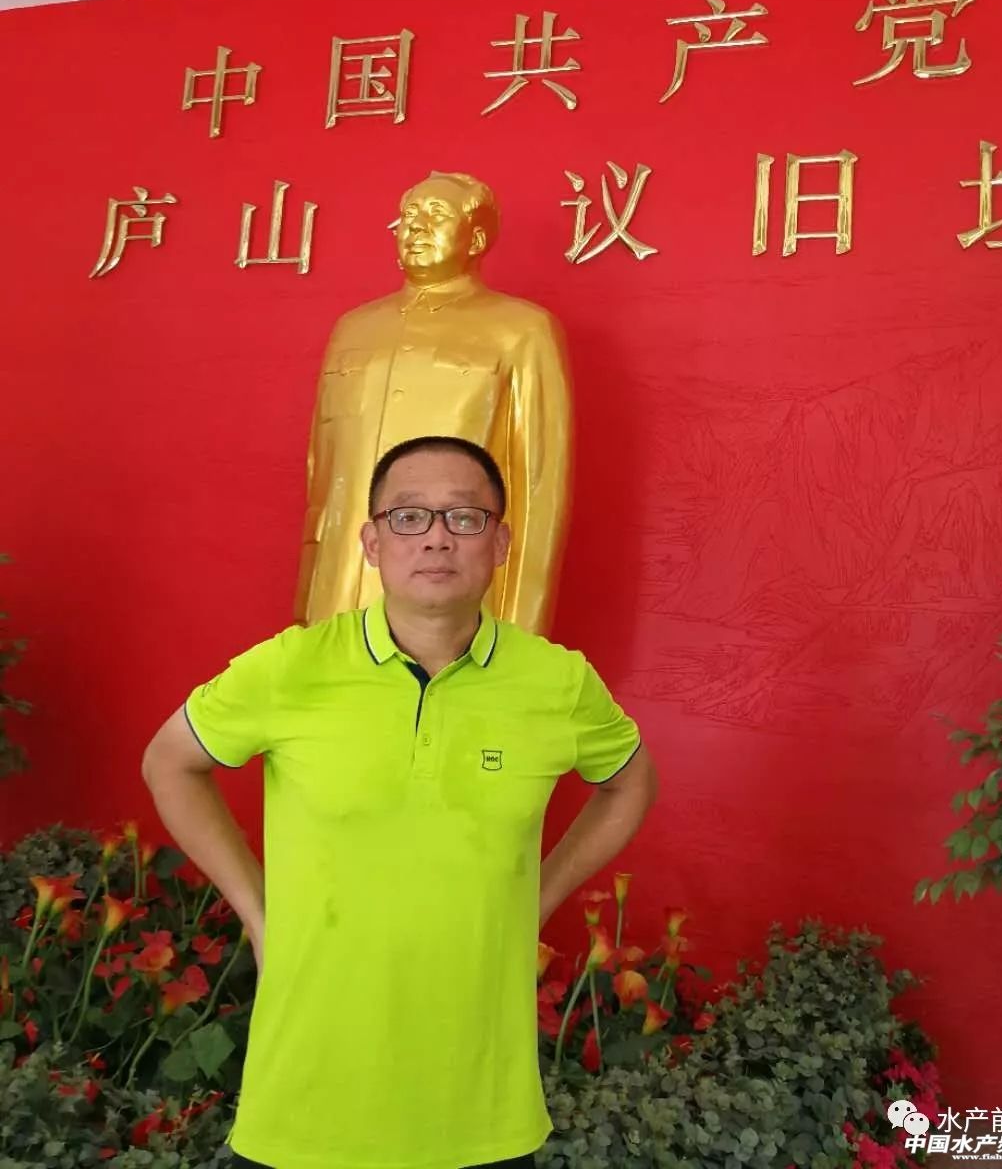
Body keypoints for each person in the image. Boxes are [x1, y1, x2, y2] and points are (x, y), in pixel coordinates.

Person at [143, 434, 657, 1169]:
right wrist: (256, 910)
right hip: (305, 1106)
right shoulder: (292, 667)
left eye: (465, 517)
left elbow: (629, 781)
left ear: (501, 543)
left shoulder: (558, 684)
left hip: (482, 1113)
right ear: (372, 542)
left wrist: (539, 898)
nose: (438, 538)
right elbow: (169, 762)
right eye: (409, 516)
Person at [295, 171, 572, 636]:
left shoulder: (521, 331)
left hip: (454, 592)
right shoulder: (354, 329)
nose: (415, 227)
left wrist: (523, 630)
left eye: (436, 214)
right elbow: (322, 477)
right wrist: (307, 600)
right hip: (341, 586)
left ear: (475, 238)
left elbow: (540, 488)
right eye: (408, 216)